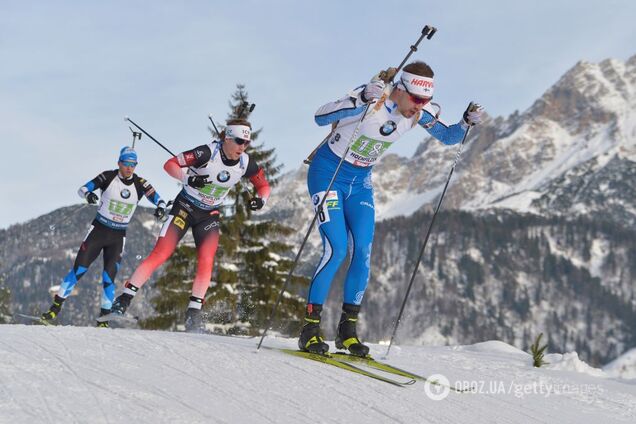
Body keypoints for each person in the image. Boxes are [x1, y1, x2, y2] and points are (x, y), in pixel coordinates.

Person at [299, 61, 484, 356]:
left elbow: (449, 137)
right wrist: (359, 100)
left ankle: (347, 331)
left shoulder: (418, 114)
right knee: (335, 249)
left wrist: (465, 123)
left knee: (363, 252)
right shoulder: (372, 100)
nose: (420, 107)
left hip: (360, 182)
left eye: (425, 101)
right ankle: (309, 329)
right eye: (416, 99)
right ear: (400, 89)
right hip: (328, 174)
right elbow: (320, 117)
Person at [109, 119, 271, 333]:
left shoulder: (245, 163)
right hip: (184, 208)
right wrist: (188, 179)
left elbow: (263, 186)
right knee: (161, 253)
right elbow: (170, 164)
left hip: (209, 215)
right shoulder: (206, 153)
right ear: (228, 138)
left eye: (247, 143)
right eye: (239, 141)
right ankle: (124, 299)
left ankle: (193, 314)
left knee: (206, 260)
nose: (243, 147)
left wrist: (260, 200)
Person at [41, 147, 167, 327]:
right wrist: (89, 194)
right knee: (78, 271)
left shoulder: (140, 183)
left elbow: (158, 199)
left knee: (109, 278)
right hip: (98, 231)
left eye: (133, 165)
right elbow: (82, 189)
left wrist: (161, 206)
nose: (129, 168)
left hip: (118, 236)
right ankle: (55, 308)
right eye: (126, 164)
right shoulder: (107, 177)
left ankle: (103, 319)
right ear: (119, 163)